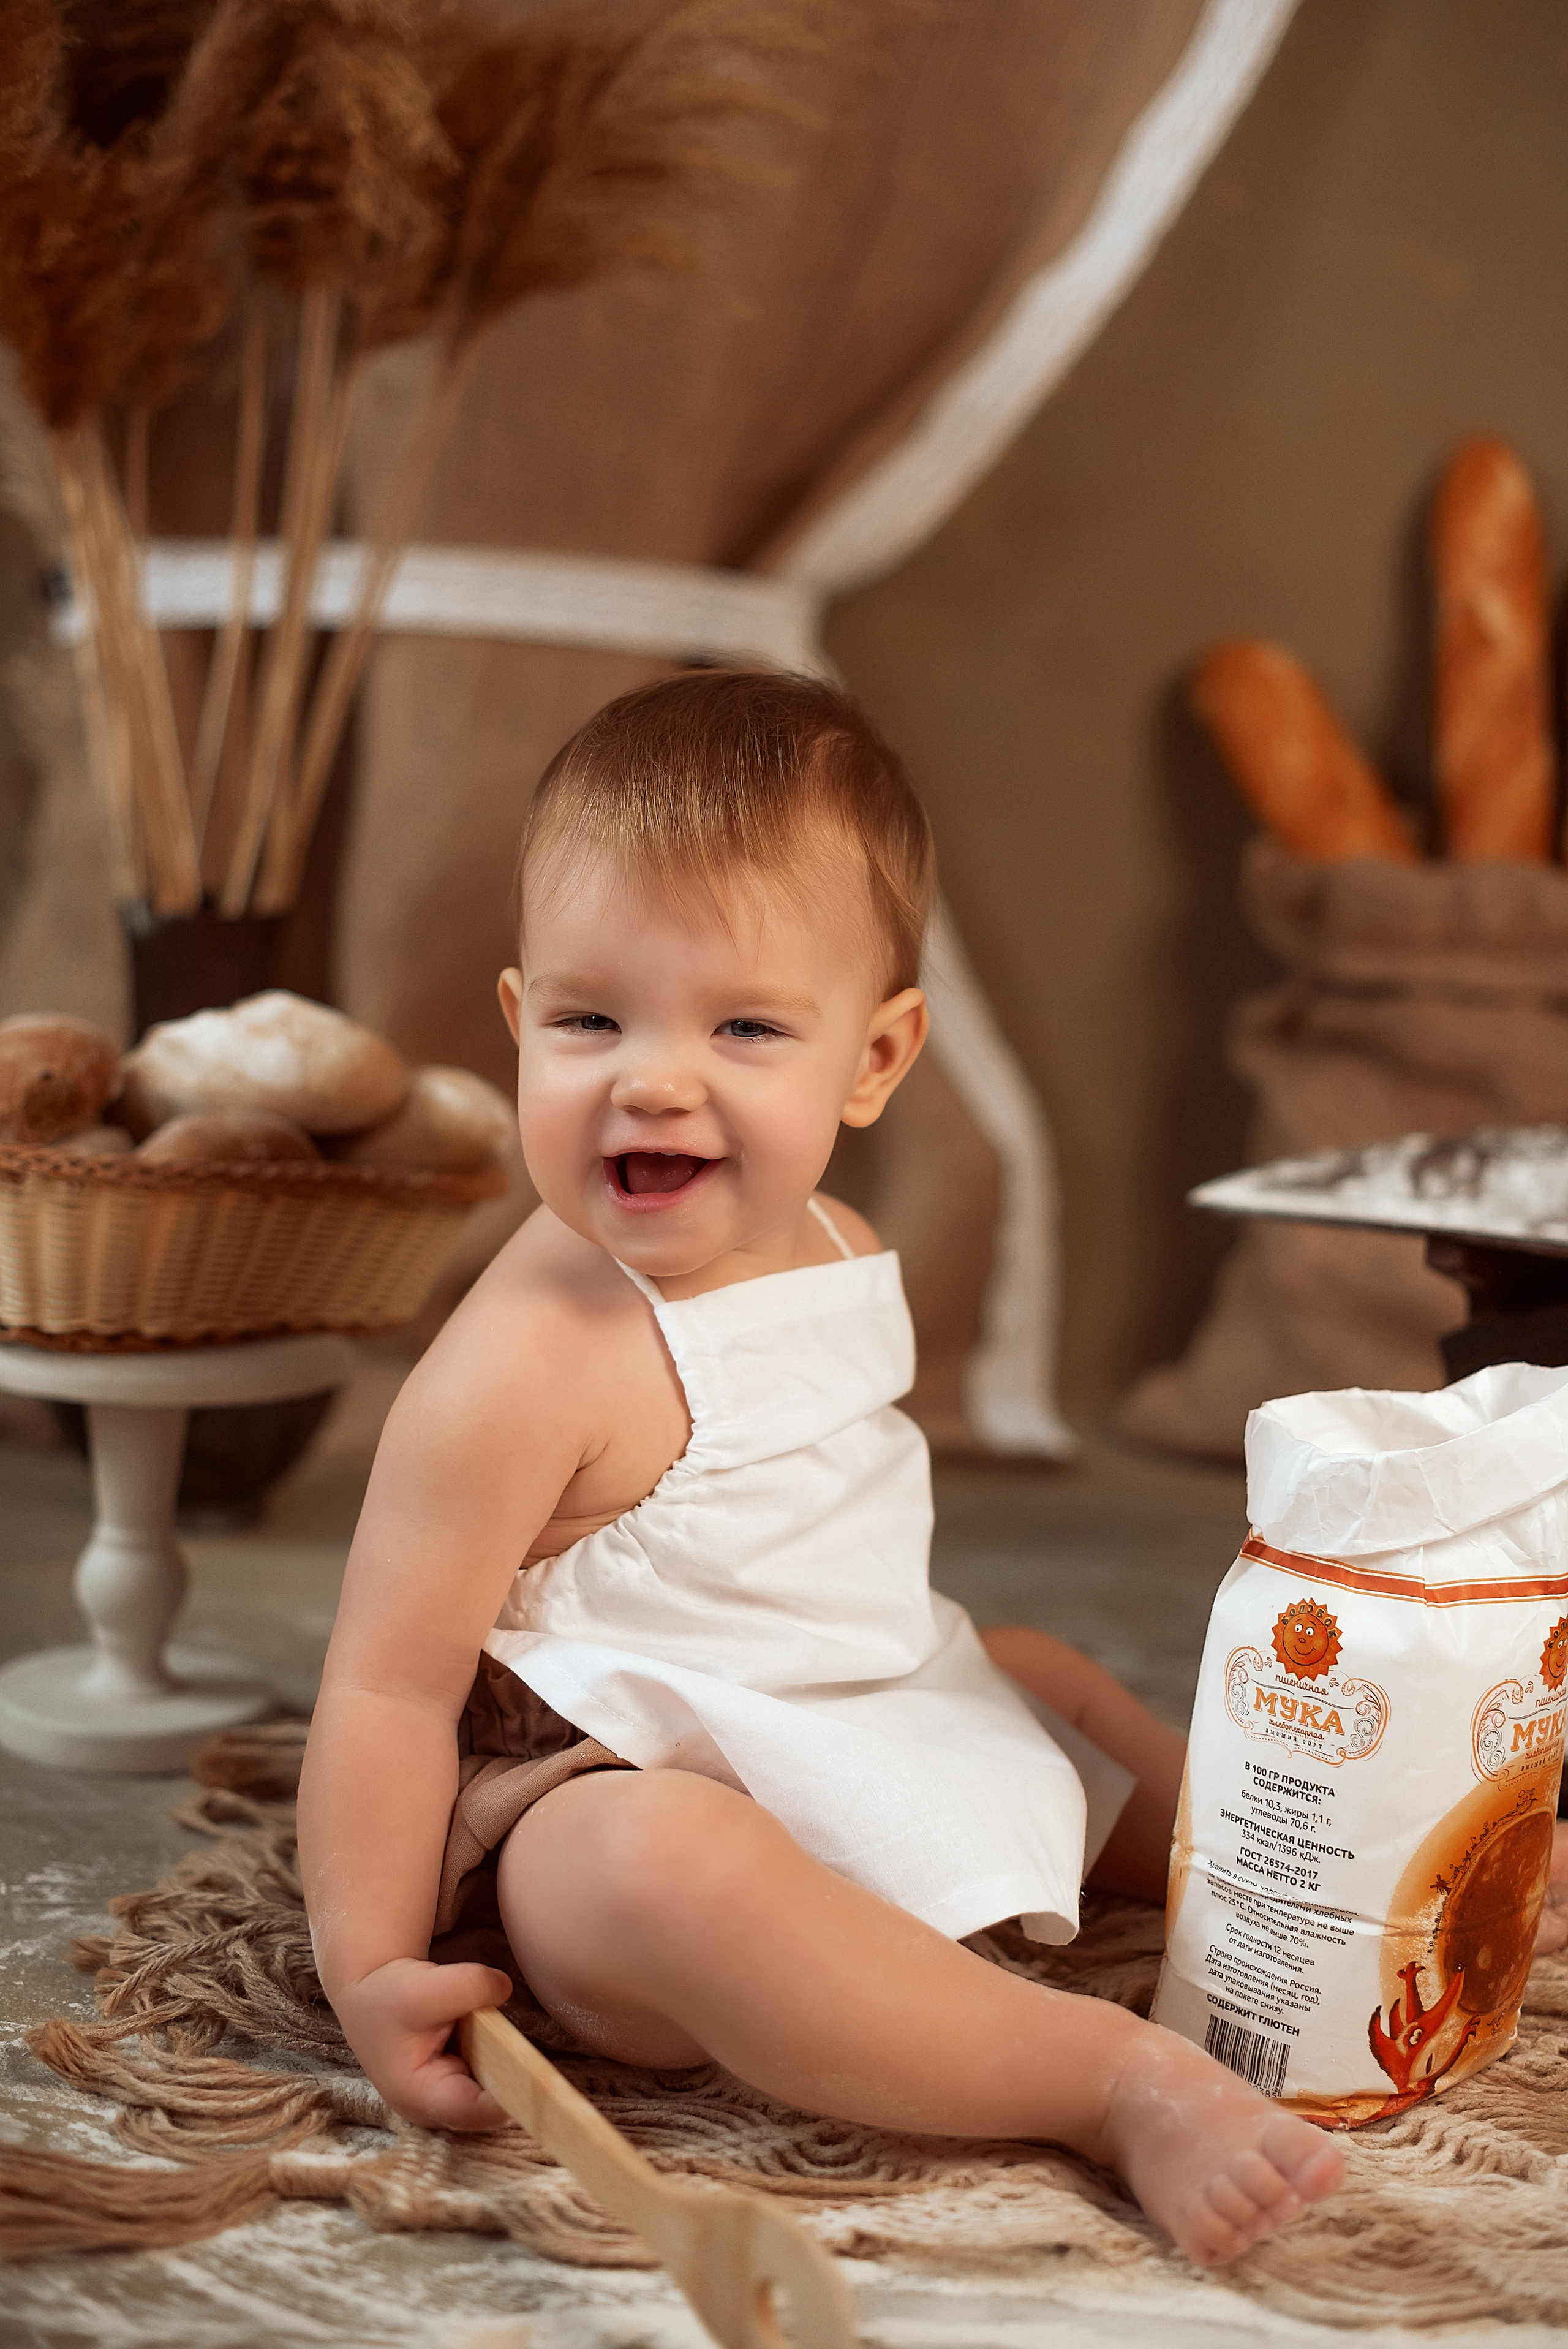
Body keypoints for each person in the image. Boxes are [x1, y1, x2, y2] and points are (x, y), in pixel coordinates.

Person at [298, 670, 1348, 2268]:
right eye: (593, 1020)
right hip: (610, 1779)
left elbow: (812, 1558)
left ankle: (1292, 1883)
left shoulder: (845, 1243)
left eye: (741, 1026)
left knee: (1044, 1677)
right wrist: (371, 1962)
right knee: (647, 1861)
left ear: (872, 1059)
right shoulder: (522, 1360)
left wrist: (919, 1706)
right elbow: (384, 1688)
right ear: (520, 1024)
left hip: (840, 1705)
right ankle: (1108, 2079)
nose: (654, 1077)